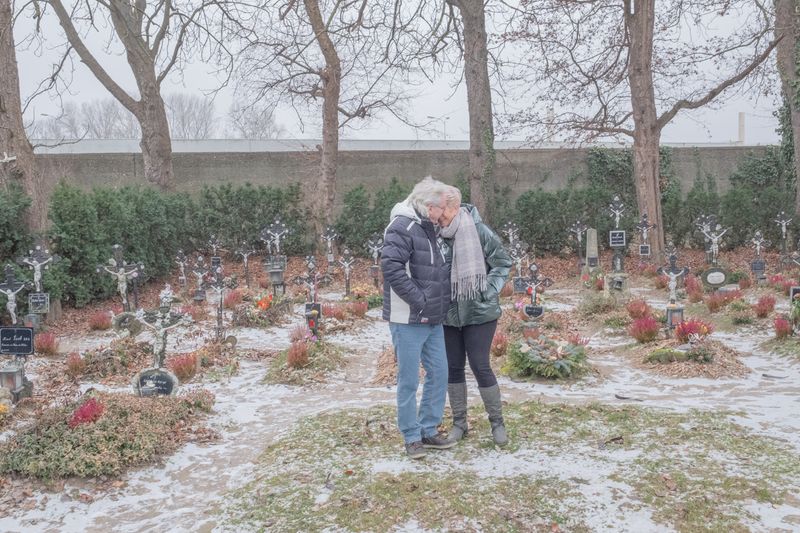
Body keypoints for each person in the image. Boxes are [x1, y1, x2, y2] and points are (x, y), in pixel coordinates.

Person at [381, 177, 455, 459]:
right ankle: (411, 437)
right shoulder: (401, 226)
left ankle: (428, 429)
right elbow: (392, 268)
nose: (443, 214)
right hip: (407, 318)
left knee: (439, 373)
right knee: (409, 380)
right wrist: (420, 300)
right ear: (428, 205)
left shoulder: (427, 228)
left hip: (432, 317)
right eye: (441, 208)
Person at [437, 186, 512, 446]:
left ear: (455, 207)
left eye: (442, 208)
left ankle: (497, 423)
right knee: (453, 367)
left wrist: (487, 291)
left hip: (480, 313)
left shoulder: (479, 231)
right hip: (447, 314)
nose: (438, 214)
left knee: (480, 365)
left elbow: (503, 262)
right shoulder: (435, 235)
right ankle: (460, 423)